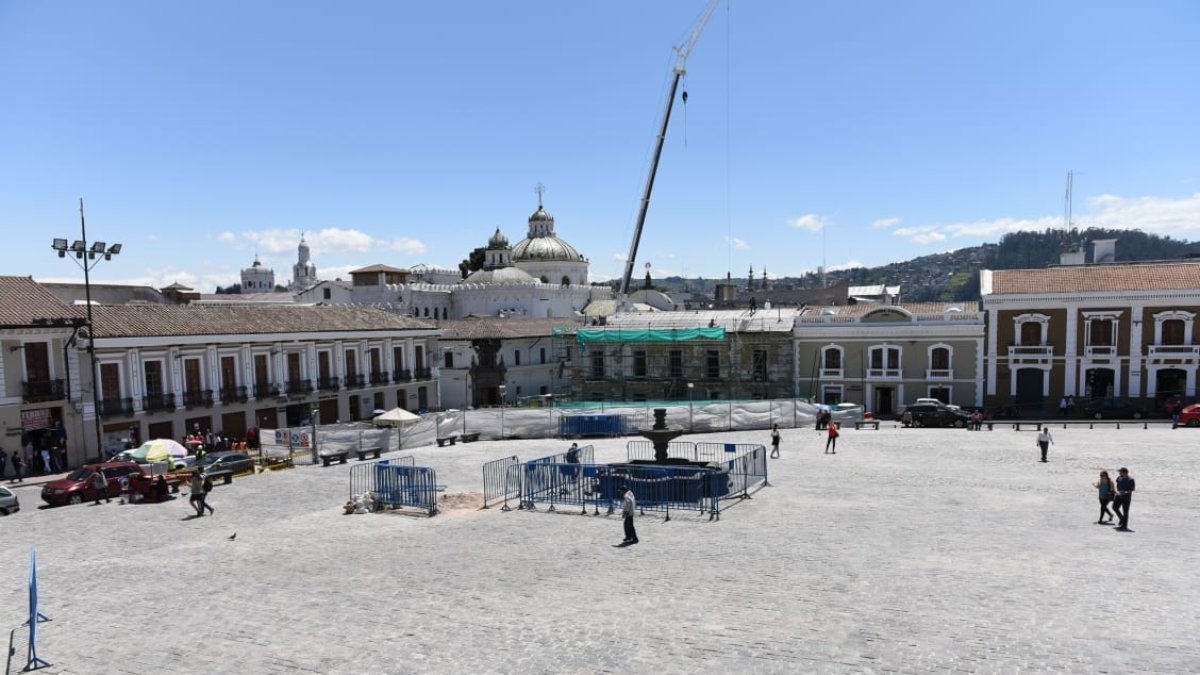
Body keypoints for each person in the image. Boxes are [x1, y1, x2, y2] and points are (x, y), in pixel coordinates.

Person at [1113, 467, 1135, 531]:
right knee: (1114, 507)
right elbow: (1117, 485)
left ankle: (1124, 526)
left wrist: (1125, 492)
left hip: (1126, 497)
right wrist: (1116, 492)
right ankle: (1122, 519)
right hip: (1118, 495)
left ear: (1124, 472)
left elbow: (1133, 489)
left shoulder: (1131, 479)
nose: (1119, 473)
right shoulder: (1119, 478)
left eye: (1120, 472)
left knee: (1125, 511)